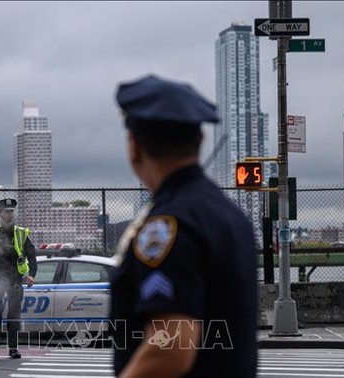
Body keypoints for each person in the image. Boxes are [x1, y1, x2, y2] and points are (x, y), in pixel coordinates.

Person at [110, 74, 258, 377]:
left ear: (133, 146)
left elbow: (171, 347)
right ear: (200, 141)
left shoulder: (168, 224)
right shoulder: (228, 214)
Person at [0, 198, 37, 359]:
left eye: (11, 211)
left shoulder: (21, 233)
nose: (10, 214)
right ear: (0, 214)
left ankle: (13, 348)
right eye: (6, 211)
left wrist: (31, 275)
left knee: (14, 314)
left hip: (15, 279)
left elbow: (32, 256)